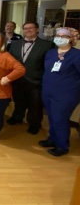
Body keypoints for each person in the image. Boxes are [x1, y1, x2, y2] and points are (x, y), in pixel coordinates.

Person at [39, 27, 80, 156]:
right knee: (51, 117)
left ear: (71, 39)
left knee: (60, 119)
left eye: (64, 36)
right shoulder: (50, 53)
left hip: (66, 94)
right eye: (58, 35)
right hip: (48, 91)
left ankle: (62, 146)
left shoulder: (77, 55)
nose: (60, 38)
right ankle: (52, 139)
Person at [7, 21, 53, 134]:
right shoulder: (15, 44)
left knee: (35, 104)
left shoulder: (47, 45)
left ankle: (34, 123)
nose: (28, 30)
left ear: (37, 29)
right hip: (17, 80)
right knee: (18, 100)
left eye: (31, 28)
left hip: (36, 80)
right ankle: (17, 117)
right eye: (25, 28)